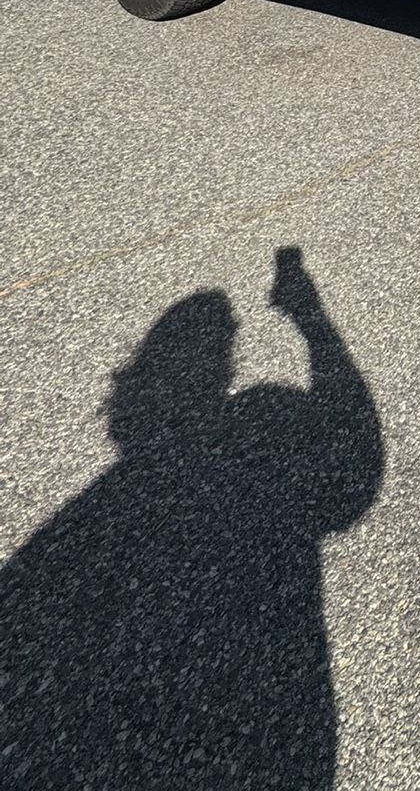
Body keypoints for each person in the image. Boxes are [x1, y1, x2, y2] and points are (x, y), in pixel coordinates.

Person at [0, 249, 383, 789]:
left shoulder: (126, 483)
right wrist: (311, 321)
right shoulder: (235, 456)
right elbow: (357, 464)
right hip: (270, 717)